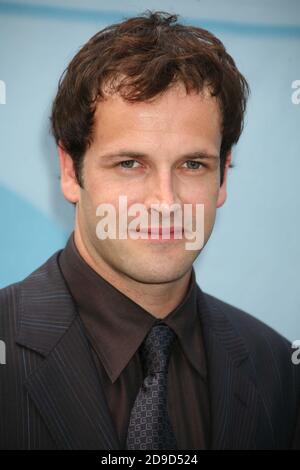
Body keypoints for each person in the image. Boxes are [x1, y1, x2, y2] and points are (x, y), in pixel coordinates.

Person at [0, 10, 299, 450]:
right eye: (130, 164)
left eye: (193, 165)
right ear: (69, 170)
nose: (166, 202)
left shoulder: (278, 369)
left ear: (223, 179)